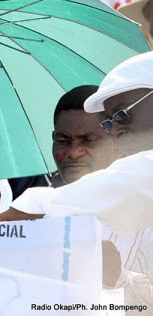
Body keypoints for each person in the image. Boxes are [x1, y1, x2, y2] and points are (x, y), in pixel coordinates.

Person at [0, 51, 153, 235]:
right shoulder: (120, 209)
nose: (73, 153)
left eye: (123, 114)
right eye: (109, 122)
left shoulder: (132, 183)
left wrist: (6, 219)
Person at [52, 85, 152, 313]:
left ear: (118, 140)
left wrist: (118, 278)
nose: (73, 152)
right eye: (63, 140)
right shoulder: (43, 218)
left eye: (89, 140)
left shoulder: (146, 219)